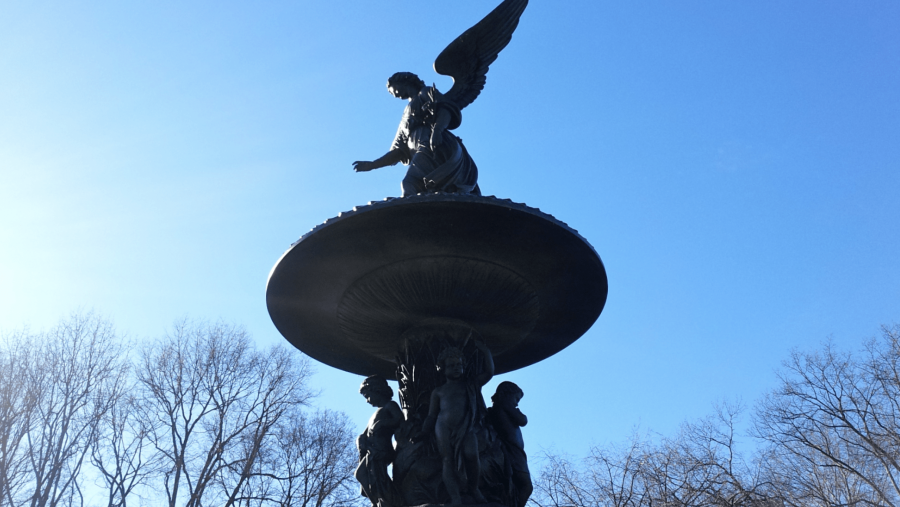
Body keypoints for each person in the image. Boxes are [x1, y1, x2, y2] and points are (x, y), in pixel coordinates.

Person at [353, 72, 480, 197]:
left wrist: (437, 131)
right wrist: (373, 164)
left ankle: (412, 214)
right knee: (421, 187)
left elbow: (445, 108)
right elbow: (398, 151)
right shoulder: (405, 117)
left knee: (411, 183)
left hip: (433, 144)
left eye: (394, 90)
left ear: (404, 82)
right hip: (420, 148)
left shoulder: (424, 92)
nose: (394, 94)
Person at [418, 341, 494, 505]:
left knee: (472, 455)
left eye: (459, 364)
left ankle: (474, 488)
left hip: (466, 427)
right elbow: (431, 415)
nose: (456, 367)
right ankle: (455, 498)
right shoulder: (438, 391)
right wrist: (424, 432)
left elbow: (489, 372)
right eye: (451, 365)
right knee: (447, 460)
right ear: (442, 369)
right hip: (443, 427)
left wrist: (486, 351)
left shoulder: (470, 385)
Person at [356, 375, 404, 507]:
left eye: (368, 396)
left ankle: (389, 501)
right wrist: (361, 439)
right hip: (373, 452)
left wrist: (384, 423)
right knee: (364, 475)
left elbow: (400, 421)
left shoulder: (390, 405)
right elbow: (366, 433)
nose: (367, 401)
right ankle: (379, 501)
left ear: (377, 390)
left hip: (383, 451)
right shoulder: (376, 413)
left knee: (375, 477)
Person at [487, 381, 533, 507]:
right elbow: (523, 420)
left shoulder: (496, 407)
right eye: (516, 398)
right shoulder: (505, 405)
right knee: (526, 486)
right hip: (512, 450)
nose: (517, 403)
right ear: (507, 394)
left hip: (513, 449)